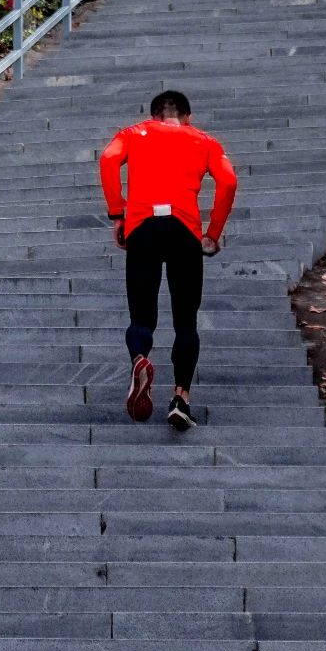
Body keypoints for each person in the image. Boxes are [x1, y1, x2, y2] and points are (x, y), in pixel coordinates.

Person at [98, 89, 238, 430]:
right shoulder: (205, 141)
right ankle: (181, 399)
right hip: (184, 232)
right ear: (187, 117)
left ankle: (140, 359)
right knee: (185, 322)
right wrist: (213, 232)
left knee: (141, 318)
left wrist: (118, 214)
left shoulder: (132, 134)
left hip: (142, 229)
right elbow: (229, 181)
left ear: (154, 115)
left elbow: (107, 159)